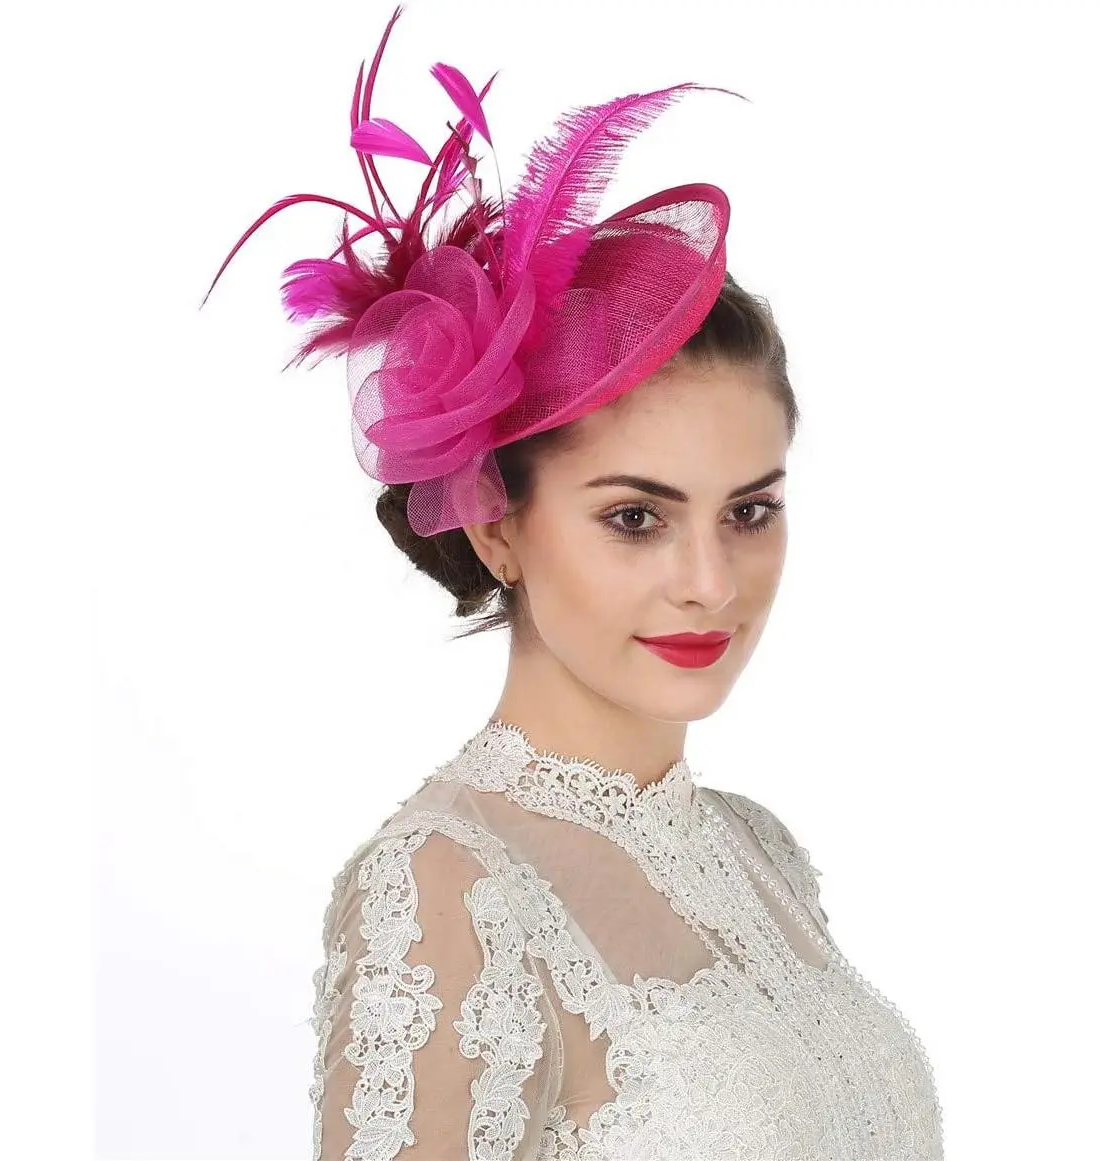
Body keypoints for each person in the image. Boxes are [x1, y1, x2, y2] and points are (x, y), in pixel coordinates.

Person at [203, 8, 944, 1158]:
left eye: (749, 511)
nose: (711, 583)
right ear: (497, 527)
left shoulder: (760, 852)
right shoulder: (447, 892)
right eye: (636, 518)